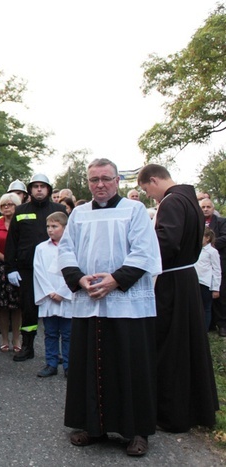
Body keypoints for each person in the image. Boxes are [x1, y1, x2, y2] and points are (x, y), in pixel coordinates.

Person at [58, 158, 160, 457]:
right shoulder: (78, 214)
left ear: (117, 181)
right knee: (89, 364)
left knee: (130, 365)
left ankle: (136, 431)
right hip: (89, 302)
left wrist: (115, 280)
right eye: (94, 180)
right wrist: (79, 279)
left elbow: (145, 251)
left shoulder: (134, 210)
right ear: (87, 183)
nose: (100, 185)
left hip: (126, 304)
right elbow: (66, 251)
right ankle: (93, 426)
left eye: (105, 179)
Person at [137, 164, 219, 434]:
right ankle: (195, 408)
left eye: (147, 190)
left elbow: (166, 242)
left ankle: (172, 413)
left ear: (154, 180)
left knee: (170, 347)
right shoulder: (189, 199)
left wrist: (139, 261)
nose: (151, 197)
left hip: (171, 281)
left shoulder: (171, 202)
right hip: (185, 279)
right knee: (187, 345)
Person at [4, 173, 66, 362]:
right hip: (27, 270)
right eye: (35, 186)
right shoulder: (21, 210)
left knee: (57, 309)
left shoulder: (60, 209)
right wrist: (10, 268)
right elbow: (12, 241)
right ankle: (28, 346)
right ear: (30, 189)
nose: (39, 189)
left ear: (49, 189)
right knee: (29, 309)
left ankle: (59, 351)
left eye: (43, 186)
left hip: (54, 270)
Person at [33, 211, 72, 378]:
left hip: (67, 297)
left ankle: (70, 365)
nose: (50, 230)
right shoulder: (41, 248)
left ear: (65, 228)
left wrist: (63, 292)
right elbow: (39, 271)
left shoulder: (73, 247)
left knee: (68, 334)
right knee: (50, 333)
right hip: (49, 297)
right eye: (48, 226)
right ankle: (51, 363)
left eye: (55, 226)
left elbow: (75, 271)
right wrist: (49, 292)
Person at [0, 193, 22, 353]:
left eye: (10, 204)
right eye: (3, 205)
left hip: (18, 267)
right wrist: (7, 260)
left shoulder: (22, 222)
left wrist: (15, 262)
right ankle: (4, 339)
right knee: (2, 306)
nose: (6, 207)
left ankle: (16, 338)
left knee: (17, 306)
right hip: (0, 268)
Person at [200, 196, 226, 335]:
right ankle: (208, 325)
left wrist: (209, 245)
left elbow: (225, 237)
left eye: (208, 207)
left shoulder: (221, 222)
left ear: (213, 208)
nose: (205, 209)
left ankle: (222, 324)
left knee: (220, 295)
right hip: (201, 266)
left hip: (219, 260)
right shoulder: (196, 222)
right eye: (203, 207)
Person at [195, 228, 221, 333]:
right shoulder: (195, 249)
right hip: (195, 282)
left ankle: (204, 331)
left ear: (207, 238)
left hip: (205, 283)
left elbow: (217, 270)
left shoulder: (212, 252)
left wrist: (216, 288)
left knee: (206, 308)